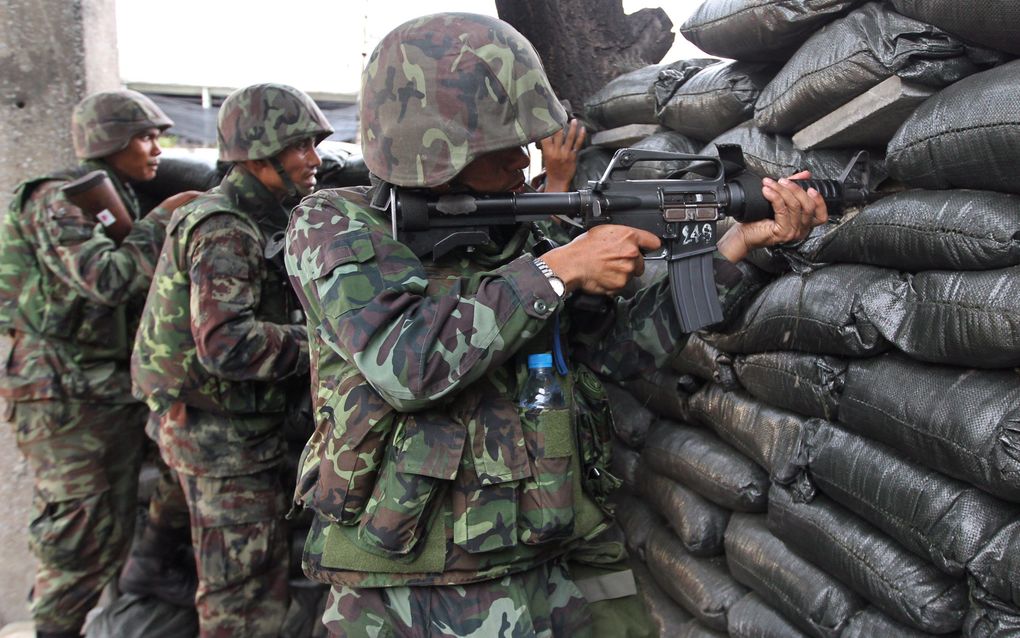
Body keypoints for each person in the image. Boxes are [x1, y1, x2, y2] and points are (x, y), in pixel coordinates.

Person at [284, 13, 827, 638]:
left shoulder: (526, 233)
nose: (524, 159)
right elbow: (409, 366)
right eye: (502, 145)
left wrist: (734, 248)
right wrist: (556, 270)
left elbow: (613, 355)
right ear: (435, 148)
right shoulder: (334, 226)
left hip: (552, 541)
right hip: (414, 582)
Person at [131, 82, 333, 637]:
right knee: (244, 596)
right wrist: (330, 341)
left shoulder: (254, 215)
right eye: (300, 147)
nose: (313, 159)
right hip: (219, 434)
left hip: (220, 422)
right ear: (259, 153)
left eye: (314, 144)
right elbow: (227, 345)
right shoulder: (225, 227)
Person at [0, 89, 199, 638]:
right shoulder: (58, 198)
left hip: (108, 386)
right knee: (81, 533)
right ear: (108, 141)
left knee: (190, 462)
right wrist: (163, 220)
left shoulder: (115, 197)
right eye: (143, 136)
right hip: (62, 394)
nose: (156, 147)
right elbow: (106, 279)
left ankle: (150, 564)